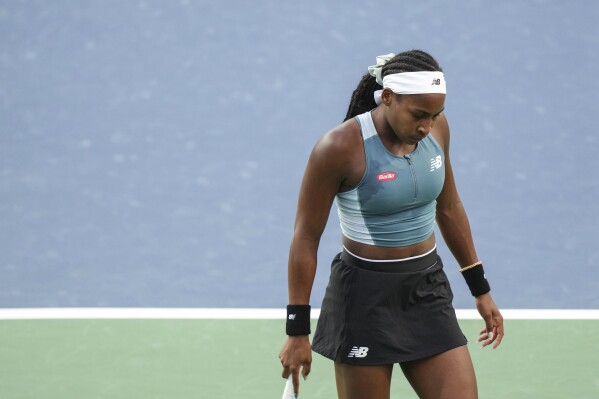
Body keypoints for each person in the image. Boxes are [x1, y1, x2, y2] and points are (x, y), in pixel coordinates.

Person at [278, 50, 504, 399]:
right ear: (387, 97)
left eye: (435, 115)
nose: (426, 126)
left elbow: (449, 207)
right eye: (418, 115)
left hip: (426, 289)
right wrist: (297, 330)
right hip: (364, 300)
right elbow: (306, 237)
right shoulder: (338, 148)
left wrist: (480, 288)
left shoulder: (436, 130)